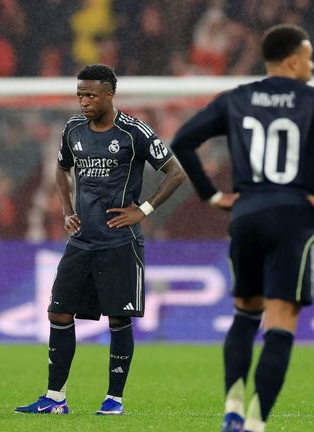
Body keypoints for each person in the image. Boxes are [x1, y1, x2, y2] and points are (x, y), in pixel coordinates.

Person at [169, 24, 314, 432]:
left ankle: (232, 403)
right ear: (292, 60)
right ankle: (255, 423)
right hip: (293, 216)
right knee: (281, 323)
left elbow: (182, 140)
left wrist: (212, 195)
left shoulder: (237, 98)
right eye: (308, 56)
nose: (312, 63)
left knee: (245, 313)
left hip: (247, 215)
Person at [15, 64, 186, 415]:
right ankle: (54, 398)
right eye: (80, 94)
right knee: (58, 312)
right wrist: (65, 209)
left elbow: (176, 172)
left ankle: (114, 399)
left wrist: (144, 210)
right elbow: (62, 168)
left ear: (109, 94)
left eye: (91, 95)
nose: (83, 101)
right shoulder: (72, 129)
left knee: (118, 320)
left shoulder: (133, 132)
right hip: (81, 242)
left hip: (119, 243)